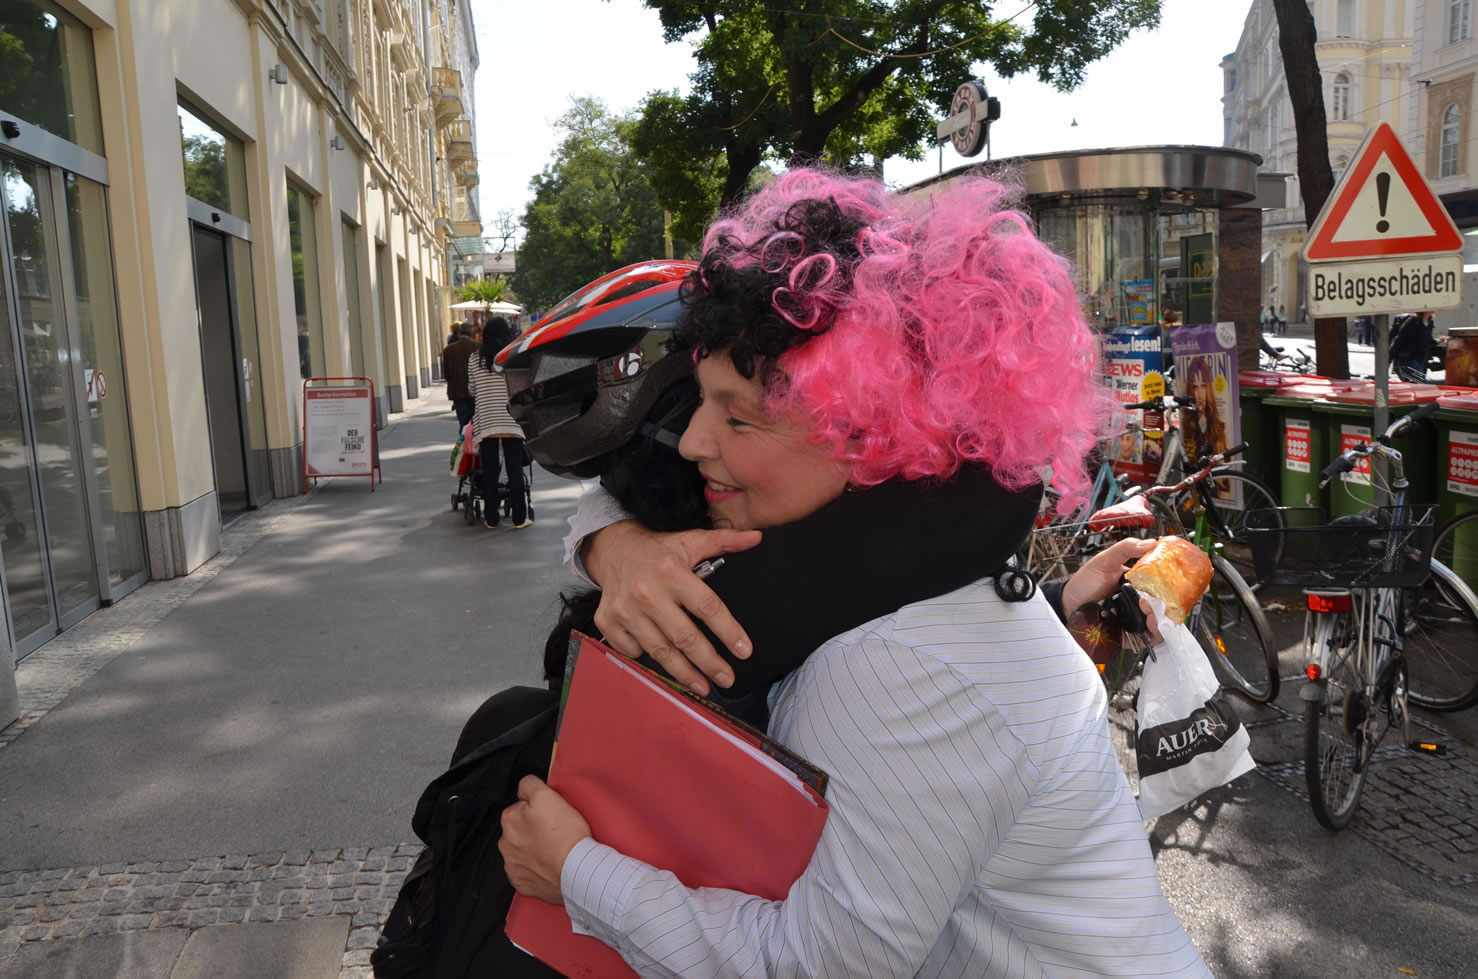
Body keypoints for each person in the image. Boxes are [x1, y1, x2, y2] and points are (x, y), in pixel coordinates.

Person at [499, 171, 1207, 974]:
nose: (694, 440)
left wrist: (575, 873)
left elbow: (814, 968)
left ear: (868, 437)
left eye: (737, 417)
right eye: (702, 401)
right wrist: (616, 545)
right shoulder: (919, 551)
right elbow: (610, 490)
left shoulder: (892, 665)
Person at [469, 317, 530, 529]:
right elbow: (522, 386)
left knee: (491, 470)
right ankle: (520, 519)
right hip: (511, 417)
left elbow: (472, 389)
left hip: (486, 420)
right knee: (514, 468)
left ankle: (491, 518)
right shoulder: (513, 357)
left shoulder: (474, 359)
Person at [441, 322, 479, 431]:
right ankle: (475, 444)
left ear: (459, 332)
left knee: (463, 420)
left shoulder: (449, 349)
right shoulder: (477, 346)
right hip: (475, 389)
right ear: (472, 333)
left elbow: (446, 373)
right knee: (475, 420)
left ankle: (464, 444)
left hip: (457, 390)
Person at [1391, 310, 1439, 382]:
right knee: (1421, 382)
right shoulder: (1412, 321)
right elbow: (1398, 339)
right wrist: (1389, 359)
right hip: (1408, 359)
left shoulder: (1430, 322)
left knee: (1414, 385)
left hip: (1421, 359)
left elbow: (1429, 340)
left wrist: (1438, 341)